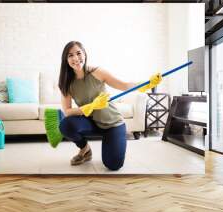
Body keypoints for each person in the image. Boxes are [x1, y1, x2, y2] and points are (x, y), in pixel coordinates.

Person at [58, 41, 161, 171]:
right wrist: (90, 106)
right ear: (66, 59)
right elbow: (67, 111)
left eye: (78, 53)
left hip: (113, 124)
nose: (75, 58)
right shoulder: (66, 82)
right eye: (70, 55)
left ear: (84, 54)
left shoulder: (97, 72)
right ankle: (85, 150)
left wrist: (146, 84)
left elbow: (124, 85)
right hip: (92, 122)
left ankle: (114, 144)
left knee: (113, 164)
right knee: (66, 125)